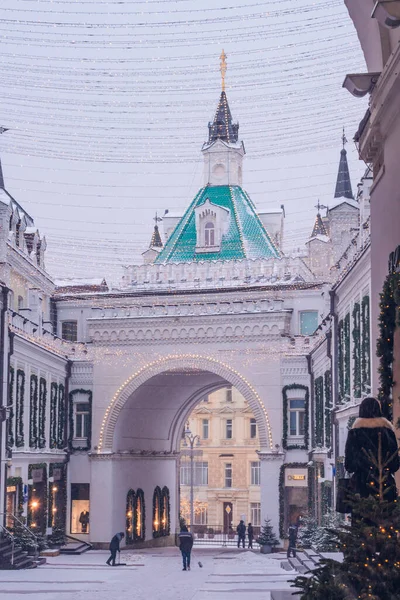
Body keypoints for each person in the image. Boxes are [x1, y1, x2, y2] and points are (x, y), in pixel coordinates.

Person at [344, 397, 400, 504]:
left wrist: (363, 466)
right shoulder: (388, 433)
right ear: (379, 411)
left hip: (361, 490)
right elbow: (395, 464)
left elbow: (349, 465)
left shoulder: (355, 434)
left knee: (362, 519)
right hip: (385, 488)